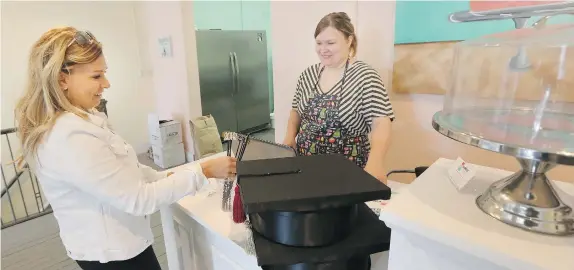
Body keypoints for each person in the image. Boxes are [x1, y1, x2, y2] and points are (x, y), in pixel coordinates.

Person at [14, 26, 236, 270]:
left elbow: (126, 172)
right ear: (62, 79)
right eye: (96, 76)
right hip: (114, 255)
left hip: (114, 246)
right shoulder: (70, 136)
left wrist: (167, 176)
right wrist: (202, 172)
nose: (106, 84)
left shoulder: (80, 120)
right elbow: (138, 199)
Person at [283, 12, 395, 183]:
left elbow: (381, 122)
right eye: (319, 43)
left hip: (348, 171)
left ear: (349, 40)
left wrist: (376, 162)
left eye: (330, 43)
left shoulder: (365, 76)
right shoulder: (308, 74)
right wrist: (289, 137)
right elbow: (296, 112)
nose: (323, 49)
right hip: (305, 165)